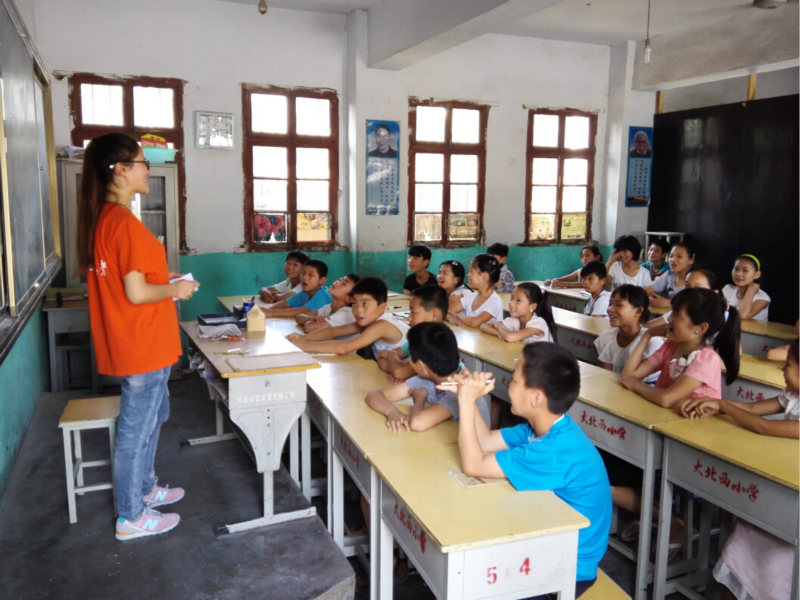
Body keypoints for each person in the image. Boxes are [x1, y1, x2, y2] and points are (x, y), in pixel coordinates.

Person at [77, 133, 199, 541]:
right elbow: (136, 293)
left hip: (141, 342)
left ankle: (145, 488)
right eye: (143, 162)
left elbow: (132, 279)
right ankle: (129, 515)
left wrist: (166, 279)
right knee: (135, 431)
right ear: (120, 170)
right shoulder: (123, 223)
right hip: (142, 343)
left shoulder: (107, 219)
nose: (148, 169)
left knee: (151, 420)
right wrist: (176, 289)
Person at [450, 343, 611, 596]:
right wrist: (470, 396)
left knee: (469, 576)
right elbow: (484, 441)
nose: (508, 385)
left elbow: (473, 465)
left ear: (536, 398)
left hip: (567, 567)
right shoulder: (544, 428)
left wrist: (466, 401)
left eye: (514, 381)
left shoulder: (553, 450)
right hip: (550, 542)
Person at [681, 339, 799, 600]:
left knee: (770, 562)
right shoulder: (792, 395)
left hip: (793, 500)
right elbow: (753, 408)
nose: (782, 369)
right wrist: (714, 404)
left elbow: (764, 426)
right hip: (781, 486)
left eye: (788, 365)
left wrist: (724, 406)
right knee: (743, 539)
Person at [366, 322, 491, 431]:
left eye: (410, 358)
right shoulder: (426, 379)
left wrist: (419, 399)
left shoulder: (459, 388)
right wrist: (392, 412)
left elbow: (417, 423)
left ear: (421, 366)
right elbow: (374, 395)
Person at [287, 277, 408, 357]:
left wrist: (303, 345)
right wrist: (303, 338)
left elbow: (344, 348)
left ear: (382, 307)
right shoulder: (369, 320)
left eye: (365, 304)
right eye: (355, 303)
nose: (358, 310)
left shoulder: (382, 325)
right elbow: (332, 332)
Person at [376, 284, 448, 382]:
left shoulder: (435, 345)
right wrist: (395, 369)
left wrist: (392, 357)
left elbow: (399, 371)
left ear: (434, 316)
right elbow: (381, 356)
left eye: (413, 313)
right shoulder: (419, 339)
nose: (409, 317)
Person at [595, 284, 664, 375]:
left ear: (638, 311)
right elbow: (607, 375)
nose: (610, 309)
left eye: (619, 305)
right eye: (610, 304)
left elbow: (632, 378)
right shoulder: (606, 338)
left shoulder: (652, 342)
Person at [481, 282, 555, 343]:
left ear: (532, 306)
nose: (511, 303)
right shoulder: (515, 320)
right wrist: (501, 333)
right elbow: (483, 326)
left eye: (518, 300)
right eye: (512, 298)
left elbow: (510, 337)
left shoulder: (538, 323)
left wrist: (499, 327)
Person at [447, 254, 504, 328]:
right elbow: (446, 310)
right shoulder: (471, 296)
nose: (468, 275)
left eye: (471, 272)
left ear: (484, 276)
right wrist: (450, 317)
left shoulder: (495, 302)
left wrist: (456, 315)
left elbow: (474, 322)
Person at [260, 259, 331, 318]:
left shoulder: (322, 295)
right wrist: (267, 309)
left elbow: (300, 311)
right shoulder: (305, 293)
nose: (305, 278)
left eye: (310, 275)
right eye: (303, 274)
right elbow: (285, 303)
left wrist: (270, 312)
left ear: (322, 280)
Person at [296, 273, 360, 333]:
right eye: (339, 280)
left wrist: (309, 320)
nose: (337, 282)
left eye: (343, 284)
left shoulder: (346, 313)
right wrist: (312, 318)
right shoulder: (328, 307)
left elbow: (309, 327)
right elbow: (299, 317)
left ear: (350, 299)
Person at [645, 241, 696, 309]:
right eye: (671, 256)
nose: (673, 260)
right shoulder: (669, 274)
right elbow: (648, 290)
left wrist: (670, 303)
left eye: (679, 256)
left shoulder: (697, 279)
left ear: (691, 260)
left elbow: (697, 303)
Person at [721, 254, 770, 321]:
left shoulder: (763, 298)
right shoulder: (727, 289)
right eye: (736, 269)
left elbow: (742, 315)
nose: (738, 274)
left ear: (757, 274)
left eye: (745, 270)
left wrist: (751, 289)